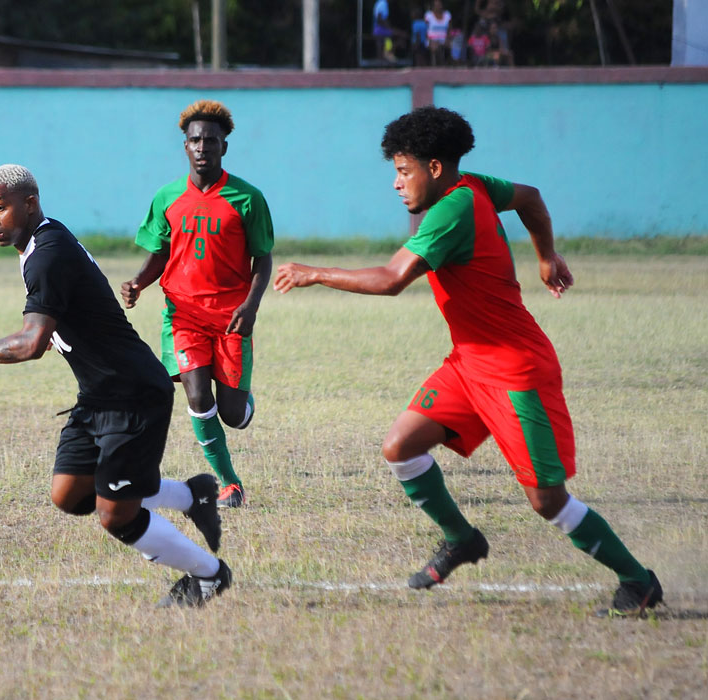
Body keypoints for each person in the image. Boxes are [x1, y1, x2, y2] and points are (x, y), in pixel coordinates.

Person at [273, 106, 663, 617]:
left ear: (435, 168)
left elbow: (392, 280)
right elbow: (531, 198)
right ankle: (461, 539)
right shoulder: (475, 184)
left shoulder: (451, 211)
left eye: (403, 170)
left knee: (548, 501)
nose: (396, 183)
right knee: (401, 447)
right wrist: (546, 256)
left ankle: (639, 581)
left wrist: (315, 273)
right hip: (470, 362)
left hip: (516, 371)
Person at [0, 164, 231, 607]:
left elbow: (31, 343)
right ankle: (192, 495)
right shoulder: (42, 240)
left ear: (30, 203)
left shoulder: (47, 253)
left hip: (133, 394)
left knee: (116, 516)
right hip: (98, 393)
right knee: (71, 495)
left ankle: (209, 575)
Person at [121, 100, 275, 509]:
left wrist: (252, 306)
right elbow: (159, 252)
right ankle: (228, 483)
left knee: (231, 414)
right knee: (196, 397)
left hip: (231, 319)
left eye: (211, 140)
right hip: (183, 315)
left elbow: (263, 259)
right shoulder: (168, 197)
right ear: (185, 147)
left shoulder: (248, 198)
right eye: (195, 140)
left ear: (224, 146)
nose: (202, 146)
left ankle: (242, 402)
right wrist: (139, 281)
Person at [425, 0, 452, 66]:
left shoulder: (447, 15)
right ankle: (436, 66)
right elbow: (425, 29)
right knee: (436, 47)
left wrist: (448, 39)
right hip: (432, 39)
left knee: (451, 45)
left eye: (439, 5)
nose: (438, 7)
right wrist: (430, 40)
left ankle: (449, 65)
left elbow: (450, 29)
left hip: (444, 39)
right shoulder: (428, 15)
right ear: (433, 7)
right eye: (436, 5)